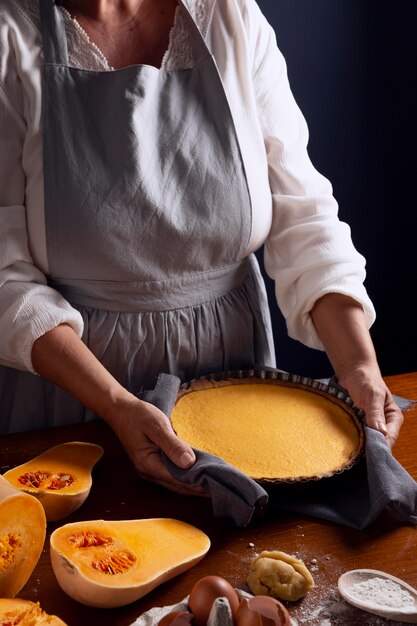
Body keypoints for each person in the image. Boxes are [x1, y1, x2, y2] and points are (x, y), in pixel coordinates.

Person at [0, 0, 403, 495]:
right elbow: (6, 277)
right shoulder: (9, 37)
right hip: (75, 396)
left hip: (235, 378)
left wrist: (359, 366)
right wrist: (115, 404)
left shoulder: (231, 17)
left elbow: (304, 215)